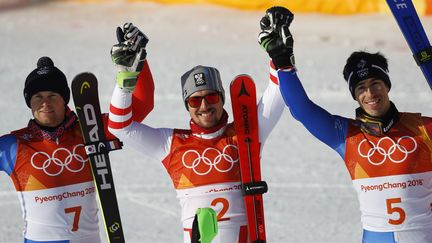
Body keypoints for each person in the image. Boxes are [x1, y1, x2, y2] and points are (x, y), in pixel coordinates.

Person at [258, 6, 432, 243]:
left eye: (375, 83)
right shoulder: (347, 136)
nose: (370, 93)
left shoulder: (424, 129)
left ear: (387, 86)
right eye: (361, 88)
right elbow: (301, 109)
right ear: (355, 95)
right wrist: (282, 62)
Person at [108, 25, 286, 242]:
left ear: (222, 98)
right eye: (194, 100)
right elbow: (119, 126)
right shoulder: (170, 144)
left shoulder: (245, 133)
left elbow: (277, 93)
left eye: (211, 97)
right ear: (186, 105)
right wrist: (125, 80)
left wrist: (278, 56)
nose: (204, 106)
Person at [0, 23, 154, 243]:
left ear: (65, 99)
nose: (45, 103)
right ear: (29, 103)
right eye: (38, 97)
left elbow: (141, 106)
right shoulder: (14, 145)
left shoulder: (90, 129)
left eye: (53, 95)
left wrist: (139, 65)